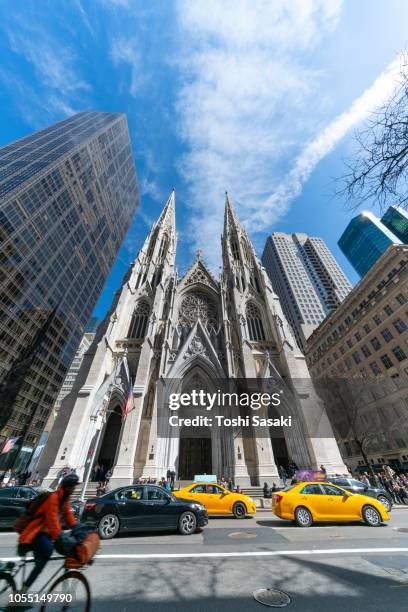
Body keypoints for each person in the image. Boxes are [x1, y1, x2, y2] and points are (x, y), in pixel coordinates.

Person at [17, 473, 78, 591]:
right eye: (73, 487)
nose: (74, 489)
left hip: (43, 535)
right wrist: (61, 538)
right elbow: (52, 522)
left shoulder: (64, 500)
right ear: (67, 487)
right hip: (34, 534)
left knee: (39, 565)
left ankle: (23, 591)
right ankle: (21, 593)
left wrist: (79, 528)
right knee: (48, 551)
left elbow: (69, 517)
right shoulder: (53, 498)